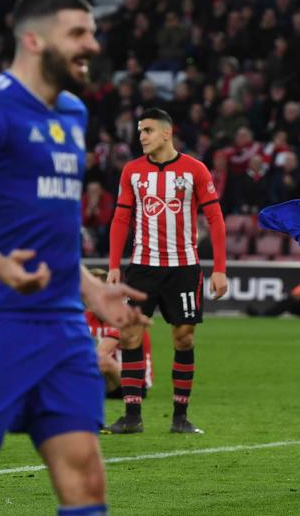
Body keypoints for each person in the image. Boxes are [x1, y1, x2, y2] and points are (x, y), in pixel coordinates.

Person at [0, 0, 149, 516]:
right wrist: (3, 269)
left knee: (86, 478)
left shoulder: (72, 112)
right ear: (33, 39)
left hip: (62, 325)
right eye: (78, 34)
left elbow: (54, 219)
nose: (92, 43)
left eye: (92, 31)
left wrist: (91, 289)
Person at [106, 108, 230, 435]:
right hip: (142, 269)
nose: (141, 136)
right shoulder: (132, 172)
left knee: (184, 338)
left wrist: (219, 269)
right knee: (130, 334)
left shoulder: (195, 170)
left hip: (184, 269)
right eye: (139, 131)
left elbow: (216, 220)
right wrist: (114, 266)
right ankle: (132, 417)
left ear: (166, 133)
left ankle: (180, 418)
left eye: (147, 130)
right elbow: (121, 220)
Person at [85, 268, 154, 398]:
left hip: (135, 383)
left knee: (103, 360)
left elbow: (101, 353)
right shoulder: (86, 316)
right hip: (107, 378)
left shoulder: (120, 316)